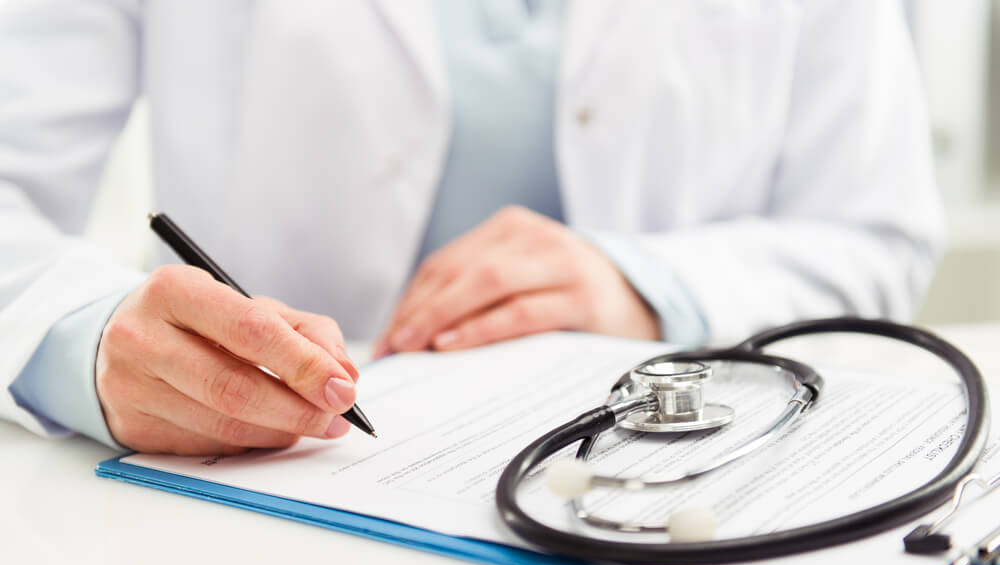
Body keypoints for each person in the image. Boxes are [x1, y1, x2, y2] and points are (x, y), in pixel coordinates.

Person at [0, 1, 943, 455]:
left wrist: (648, 283)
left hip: (683, 489)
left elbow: (876, 234)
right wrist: (82, 341)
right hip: (279, 491)